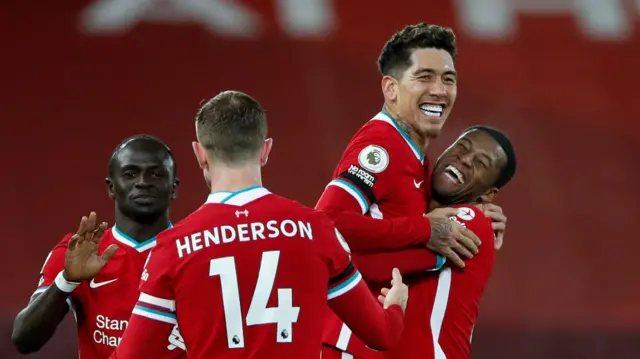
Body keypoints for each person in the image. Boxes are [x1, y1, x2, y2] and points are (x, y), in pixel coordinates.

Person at [106, 90, 409, 358]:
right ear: (265, 150)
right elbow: (382, 335)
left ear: (200, 154)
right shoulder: (316, 229)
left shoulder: (173, 247)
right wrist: (395, 304)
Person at [317, 23, 507, 358]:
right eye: (424, 77)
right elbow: (326, 224)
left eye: (448, 79)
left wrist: (477, 212)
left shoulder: (416, 159)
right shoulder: (382, 145)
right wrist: (425, 230)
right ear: (390, 88)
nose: (439, 90)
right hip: (348, 346)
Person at [333, 125, 517, 358]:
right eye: (461, 147)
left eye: (481, 163)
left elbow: (375, 267)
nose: (465, 160)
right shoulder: (414, 208)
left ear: (488, 194)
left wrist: (338, 253)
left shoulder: (472, 222)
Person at [11, 135, 186, 359]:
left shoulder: (195, 249)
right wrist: (67, 280)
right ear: (111, 187)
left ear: (174, 187)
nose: (143, 181)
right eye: (130, 173)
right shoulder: (77, 252)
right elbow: (24, 339)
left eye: (157, 174)